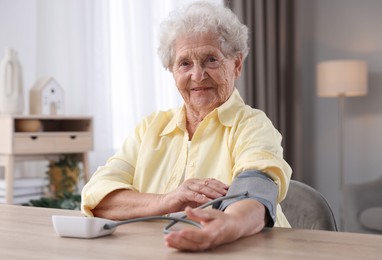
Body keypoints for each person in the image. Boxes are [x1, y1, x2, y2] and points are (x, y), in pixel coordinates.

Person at [81, 1, 292, 251]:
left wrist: (229, 223)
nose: (197, 75)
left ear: (236, 65)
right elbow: (98, 197)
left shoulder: (253, 126)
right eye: (184, 63)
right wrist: (167, 201)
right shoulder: (150, 128)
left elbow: (256, 191)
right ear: (172, 70)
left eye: (211, 59)